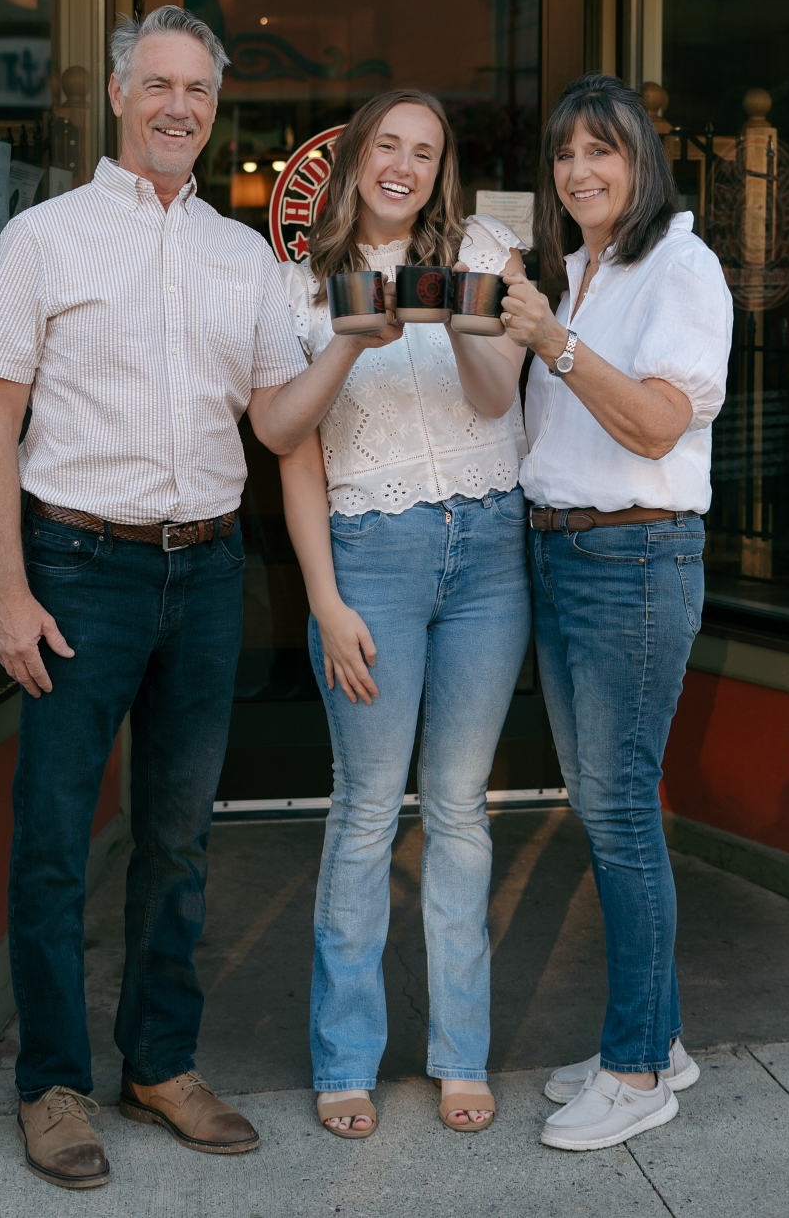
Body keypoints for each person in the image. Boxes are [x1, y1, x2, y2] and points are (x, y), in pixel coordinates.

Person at [0, 5, 343, 1188]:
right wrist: (9, 592)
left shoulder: (247, 258)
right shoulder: (45, 235)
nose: (180, 106)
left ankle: (159, 1061)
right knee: (57, 839)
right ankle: (54, 1082)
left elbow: (278, 424)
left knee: (178, 838)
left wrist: (355, 345)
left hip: (211, 567)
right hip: (80, 567)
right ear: (122, 93)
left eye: (200, 91)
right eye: (161, 83)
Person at [278, 88, 532, 1140]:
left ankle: (459, 1052)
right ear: (355, 156)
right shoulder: (299, 283)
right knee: (369, 808)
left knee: (463, 811)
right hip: (371, 553)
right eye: (390, 144)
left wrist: (463, 314)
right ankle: (346, 1057)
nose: (407, 165)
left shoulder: (488, 245)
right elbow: (289, 444)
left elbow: (494, 398)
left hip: (488, 549)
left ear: (443, 167)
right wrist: (324, 599)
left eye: (426, 152)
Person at [500, 73, 732, 1153]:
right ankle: (659, 1033)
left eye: (603, 150)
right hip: (568, 557)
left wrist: (552, 339)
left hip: (635, 557)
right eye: (564, 155)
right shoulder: (587, 272)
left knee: (623, 814)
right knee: (602, 808)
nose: (580, 171)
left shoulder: (681, 267)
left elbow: (651, 428)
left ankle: (637, 1069)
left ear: (641, 161)